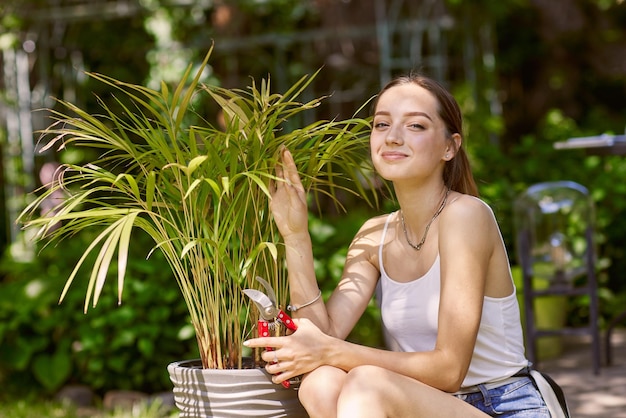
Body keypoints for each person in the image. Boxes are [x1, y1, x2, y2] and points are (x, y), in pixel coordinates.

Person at [244, 74, 550, 417]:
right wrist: (295, 234)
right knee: (321, 382)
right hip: (426, 403)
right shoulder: (374, 235)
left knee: (367, 383)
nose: (392, 136)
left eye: (415, 126)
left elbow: (449, 371)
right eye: (381, 124)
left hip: (502, 405)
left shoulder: (466, 216)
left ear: (450, 147)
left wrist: (330, 350)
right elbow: (321, 334)